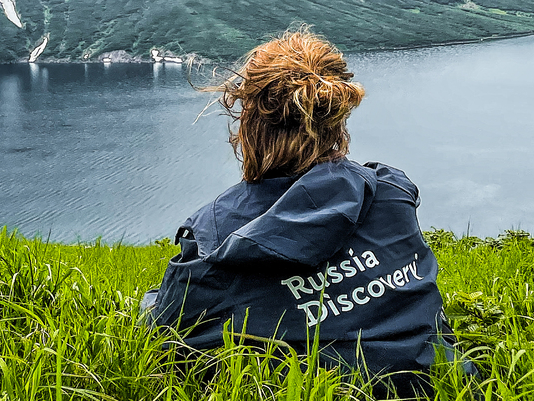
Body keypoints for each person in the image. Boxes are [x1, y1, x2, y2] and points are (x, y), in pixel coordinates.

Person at [144, 29, 470, 396]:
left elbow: (166, 335)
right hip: (442, 385)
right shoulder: (390, 193)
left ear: (249, 123)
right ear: (335, 115)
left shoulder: (213, 237)